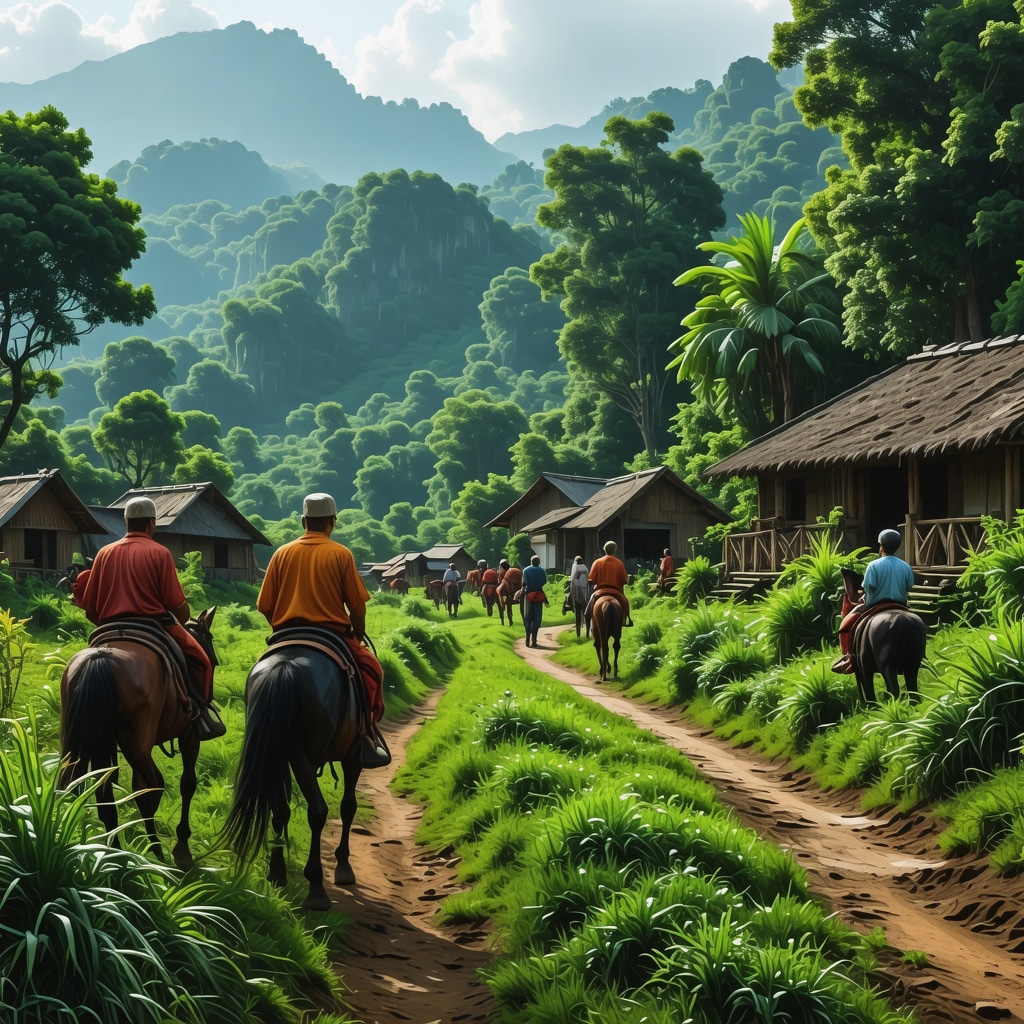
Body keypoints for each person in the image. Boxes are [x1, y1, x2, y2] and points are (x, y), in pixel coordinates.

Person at [73, 496, 224, 740]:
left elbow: (90, 608)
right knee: (202, 660)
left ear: (125, 522)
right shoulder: (160, 553)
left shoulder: (104, 553)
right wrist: (182, 616)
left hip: (109, 628)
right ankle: (200, 715)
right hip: (154, 626)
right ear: (152, 524)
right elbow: (178, 607)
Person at [257, 493, 387, 763]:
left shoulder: (281, 553)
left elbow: (264, 605)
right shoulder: (340, 553)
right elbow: (357, 607)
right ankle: (365, 734)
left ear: (304, 521)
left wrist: (281, 627)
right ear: (333, 522)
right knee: (372, 670)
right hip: (332, 635)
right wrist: (357, 637)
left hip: (285, 635)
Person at [833, 528, 915, 673]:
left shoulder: (874, 565)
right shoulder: (905, 566)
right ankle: (918, 654)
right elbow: (909, 587)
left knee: (847, 624)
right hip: (900, 605)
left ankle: (850, 657)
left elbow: (869, 588)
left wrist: (864, 597)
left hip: (876, 604)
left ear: (881, 545)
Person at [586, 540, 633, 627]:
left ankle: (587, 621)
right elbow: (624, 580)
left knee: (587, 612)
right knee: (625, 603)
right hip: (616, 592)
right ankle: (626, 620)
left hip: (600, 591)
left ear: (604, 550)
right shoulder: (619, 563)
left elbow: (591, 580)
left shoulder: (597, 562)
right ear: (615, 550)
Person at [522, 554, 547, 647]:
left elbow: (524, 583)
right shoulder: (542, 570)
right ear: (539, 562)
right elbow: (544, 582)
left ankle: (527, 639)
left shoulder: (526, 570)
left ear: (531, 562)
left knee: (527, 617)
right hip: (539, 596)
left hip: (528, 596)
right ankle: (534, 640)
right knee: (537, 618)